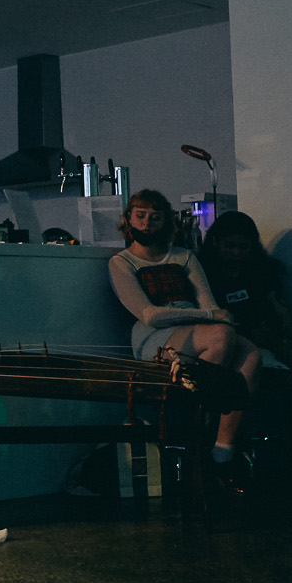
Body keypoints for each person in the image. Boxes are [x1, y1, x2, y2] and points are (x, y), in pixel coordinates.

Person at [109, 191, 259, 486]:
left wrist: (210, 315)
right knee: (220, 335)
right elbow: (150, 315)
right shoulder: (121, 262)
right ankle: (200, 434)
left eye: (155, 217)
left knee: (251, 353)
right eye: (140, 216)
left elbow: (209, 302)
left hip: (198, 328)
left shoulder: (183, 256)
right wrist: (209, 316)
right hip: (152, 336)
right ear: (129, 219)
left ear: (166, 221)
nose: (147, 223)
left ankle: (223, 450)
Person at [201, 209, 292, 431]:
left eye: (243, 247)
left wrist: (285, 343)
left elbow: (281, 311)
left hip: (266, 343)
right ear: (215, 242)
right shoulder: (203, 273)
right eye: (230, 246)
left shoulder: (262, 271)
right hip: (226, 347)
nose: (236, 253)